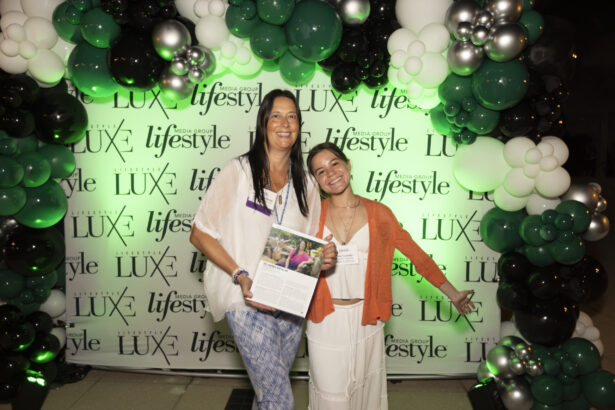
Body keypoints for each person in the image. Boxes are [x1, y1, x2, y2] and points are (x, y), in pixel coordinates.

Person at [189, 90, 337, 410]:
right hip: (245, 297)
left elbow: (308, 242)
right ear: (263, 123)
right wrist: (240, 275)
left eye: (292, 116)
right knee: (279, 399)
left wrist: (323, 257)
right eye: (276, 116)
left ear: (299, 125)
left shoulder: (308, 184)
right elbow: (200, 233)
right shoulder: (239, 171)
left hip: (289, 299)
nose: (285, 123)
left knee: (271, 390)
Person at [305, 142, 476, 410]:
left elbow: (417, 257)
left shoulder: (380, 213)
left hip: (367, 319)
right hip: (325, 319)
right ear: (315, 181)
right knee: (331, 398)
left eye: (334, 163)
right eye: (320, 171)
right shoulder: (311, 215)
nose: (330, 173)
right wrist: (314, 261)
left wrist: (453, 294)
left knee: (364, 392)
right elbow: (290, 263)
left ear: (348, 165)